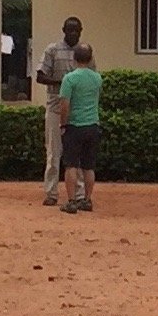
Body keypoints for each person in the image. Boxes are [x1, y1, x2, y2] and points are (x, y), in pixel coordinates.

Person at [34, 16, 82, 206]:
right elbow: (40, 76)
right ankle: (51, 193)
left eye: (77, 30)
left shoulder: (84, 51)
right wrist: (62, 83)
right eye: (70, 30)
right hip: (55, 106)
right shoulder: (52, 50)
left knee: (76, 154)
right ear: (64, 30)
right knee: (54, 153)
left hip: (77, 109)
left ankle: (79, 194)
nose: (73, 34)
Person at [55, 43, 103, 215]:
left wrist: (63, 124)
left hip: (75, 126)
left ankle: (72, 201)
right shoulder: (97, 78)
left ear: (74, 58)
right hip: (92, 125)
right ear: (90, 58)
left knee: (71, 165)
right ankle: (87, 200)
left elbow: (64, 104)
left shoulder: (69, 79)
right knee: (89, 166)